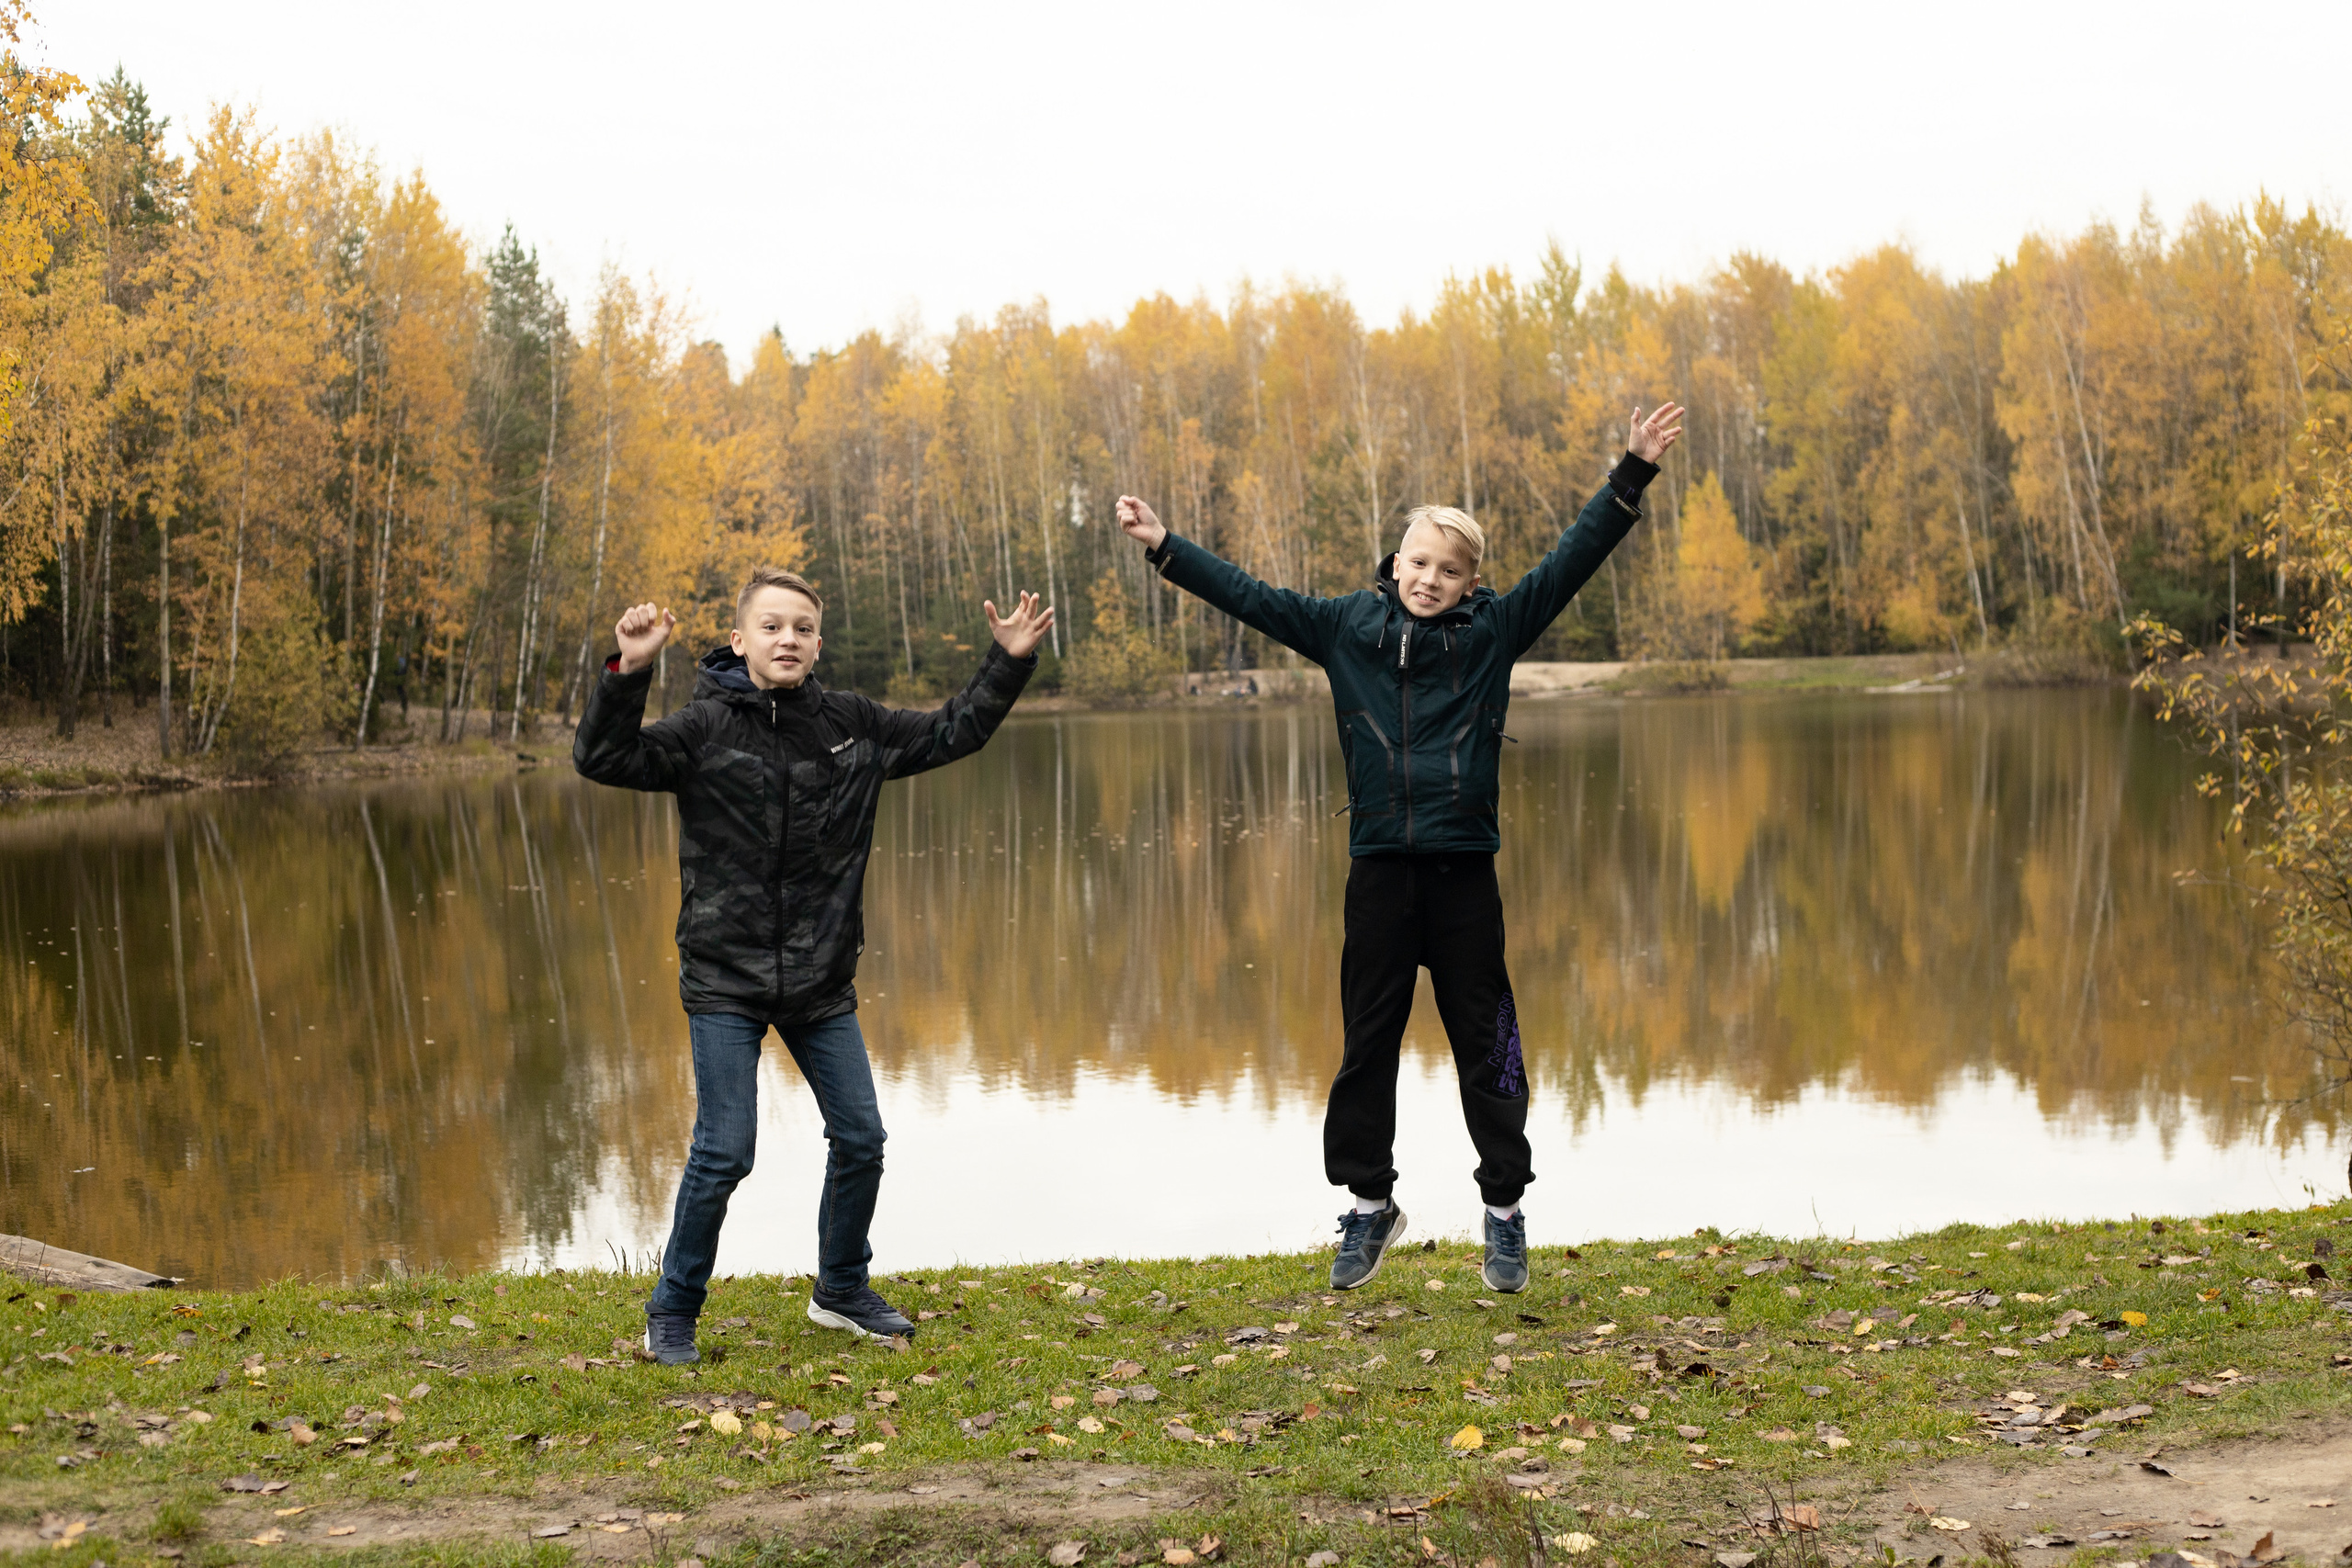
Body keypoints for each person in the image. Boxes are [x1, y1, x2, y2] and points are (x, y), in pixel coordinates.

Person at [1114, 404, 1683, 1293]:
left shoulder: (1494, 633)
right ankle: (1369, 1203)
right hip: (1378, 873)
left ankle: (1505, 1211)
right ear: (1394, 562)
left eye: (1449, 570)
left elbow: (1573, 559)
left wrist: (1631, 472)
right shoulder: (1345, 627)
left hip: (1464, 877)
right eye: (1418, 562)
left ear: (1470, 581)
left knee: (1491, 1043)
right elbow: (1251, 596)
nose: (1429, 579)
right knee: (1366, 1043)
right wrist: (1164, 546)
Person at [574, 567, 1054, 1362]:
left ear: (818, 643)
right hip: (724, 979)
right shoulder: (702, 729)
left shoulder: (853, 725)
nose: (787, 638)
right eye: (770, 626)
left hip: (820, 980)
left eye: (801, 627)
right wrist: (629, 670)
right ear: (740, 640)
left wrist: (1007, 661)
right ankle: (672, 1311)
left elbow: (953, 731)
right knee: (725, 1151)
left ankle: (840, 1289)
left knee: (862, 1136)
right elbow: (601, 756)